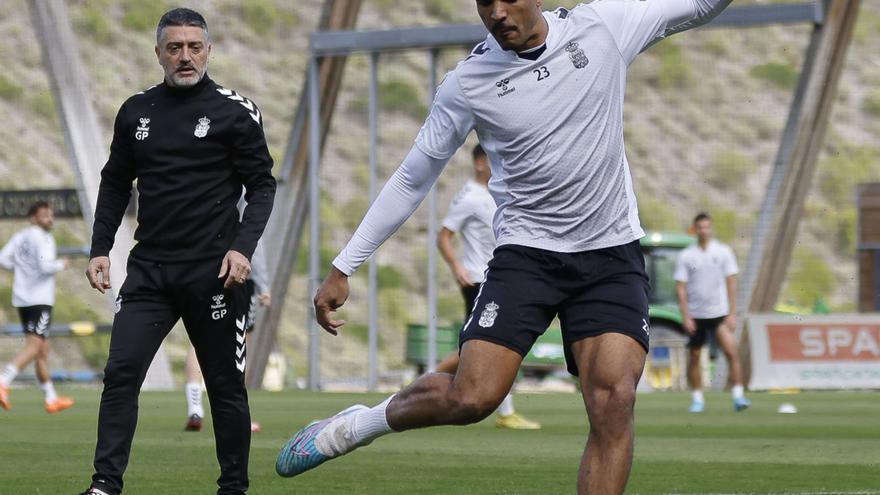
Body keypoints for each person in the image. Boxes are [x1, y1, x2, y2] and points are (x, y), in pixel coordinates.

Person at [277, 1, 731, 493]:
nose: (495, 12)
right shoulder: (468, 82)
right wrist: (345, 264)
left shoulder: (602, 27)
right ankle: (358, 426)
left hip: (610, 254)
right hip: (527, 258)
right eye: (483, 2)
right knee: (472, 399)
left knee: (614, 400)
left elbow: (702, 5)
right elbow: (413, 176)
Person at [80, 8, 275, 495]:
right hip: (150, 272)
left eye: (193, 47)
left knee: (225, 386)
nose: (184, 56)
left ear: (207, 50)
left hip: (215, 273)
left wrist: (242, 249)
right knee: (121, 373)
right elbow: (114, 183)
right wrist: (100, 248)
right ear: (159, 53)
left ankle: (233, 487)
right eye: (174, 47)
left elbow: (262, 187)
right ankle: (105, 484)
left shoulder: (236, 111)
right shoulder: (136, 111)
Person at [435, 143, 539, 430]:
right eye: (494, 159)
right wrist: (457, 267)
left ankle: (505, 411)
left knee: (491, 343)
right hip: (479, 279)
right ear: (481, 163)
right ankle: (427, 382)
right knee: (484, 344)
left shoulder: (499, 192)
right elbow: (444, 236)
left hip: (499, 278)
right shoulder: (469, 197)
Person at [184, 237, 270, 433]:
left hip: (203, 272)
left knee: (199, 338)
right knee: (240, 343)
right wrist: (263, 285)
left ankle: (194, 405)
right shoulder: (247, 204)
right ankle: (237, 414)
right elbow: (253, 239)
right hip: (238, 276)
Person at [0, 201, 73, 414]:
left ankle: (51, 398)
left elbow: (3, 259)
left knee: (42, 350)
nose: (50, 219)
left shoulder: (20, 236)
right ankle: (3, 380)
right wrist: (62, 264)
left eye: (51, 215)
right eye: (44, 216)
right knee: (34, 346)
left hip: (22, 297)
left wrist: (22, 269)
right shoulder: (44, 238)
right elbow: (44, 266)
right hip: (39, 299)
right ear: (33, 217)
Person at [674, 213, 750, 413]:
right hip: (696, 314)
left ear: (711, 228)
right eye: (700, 227)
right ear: (694, 229)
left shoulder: (723, 251)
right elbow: (680, 287)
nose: (704, 230)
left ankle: (738, 396)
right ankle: (697, 399)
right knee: (694, 356)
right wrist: (686, 315)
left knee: (731, 352)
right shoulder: (687, 255)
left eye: (707, 227)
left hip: (718, 314)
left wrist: (732, 312)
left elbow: (731, 282)